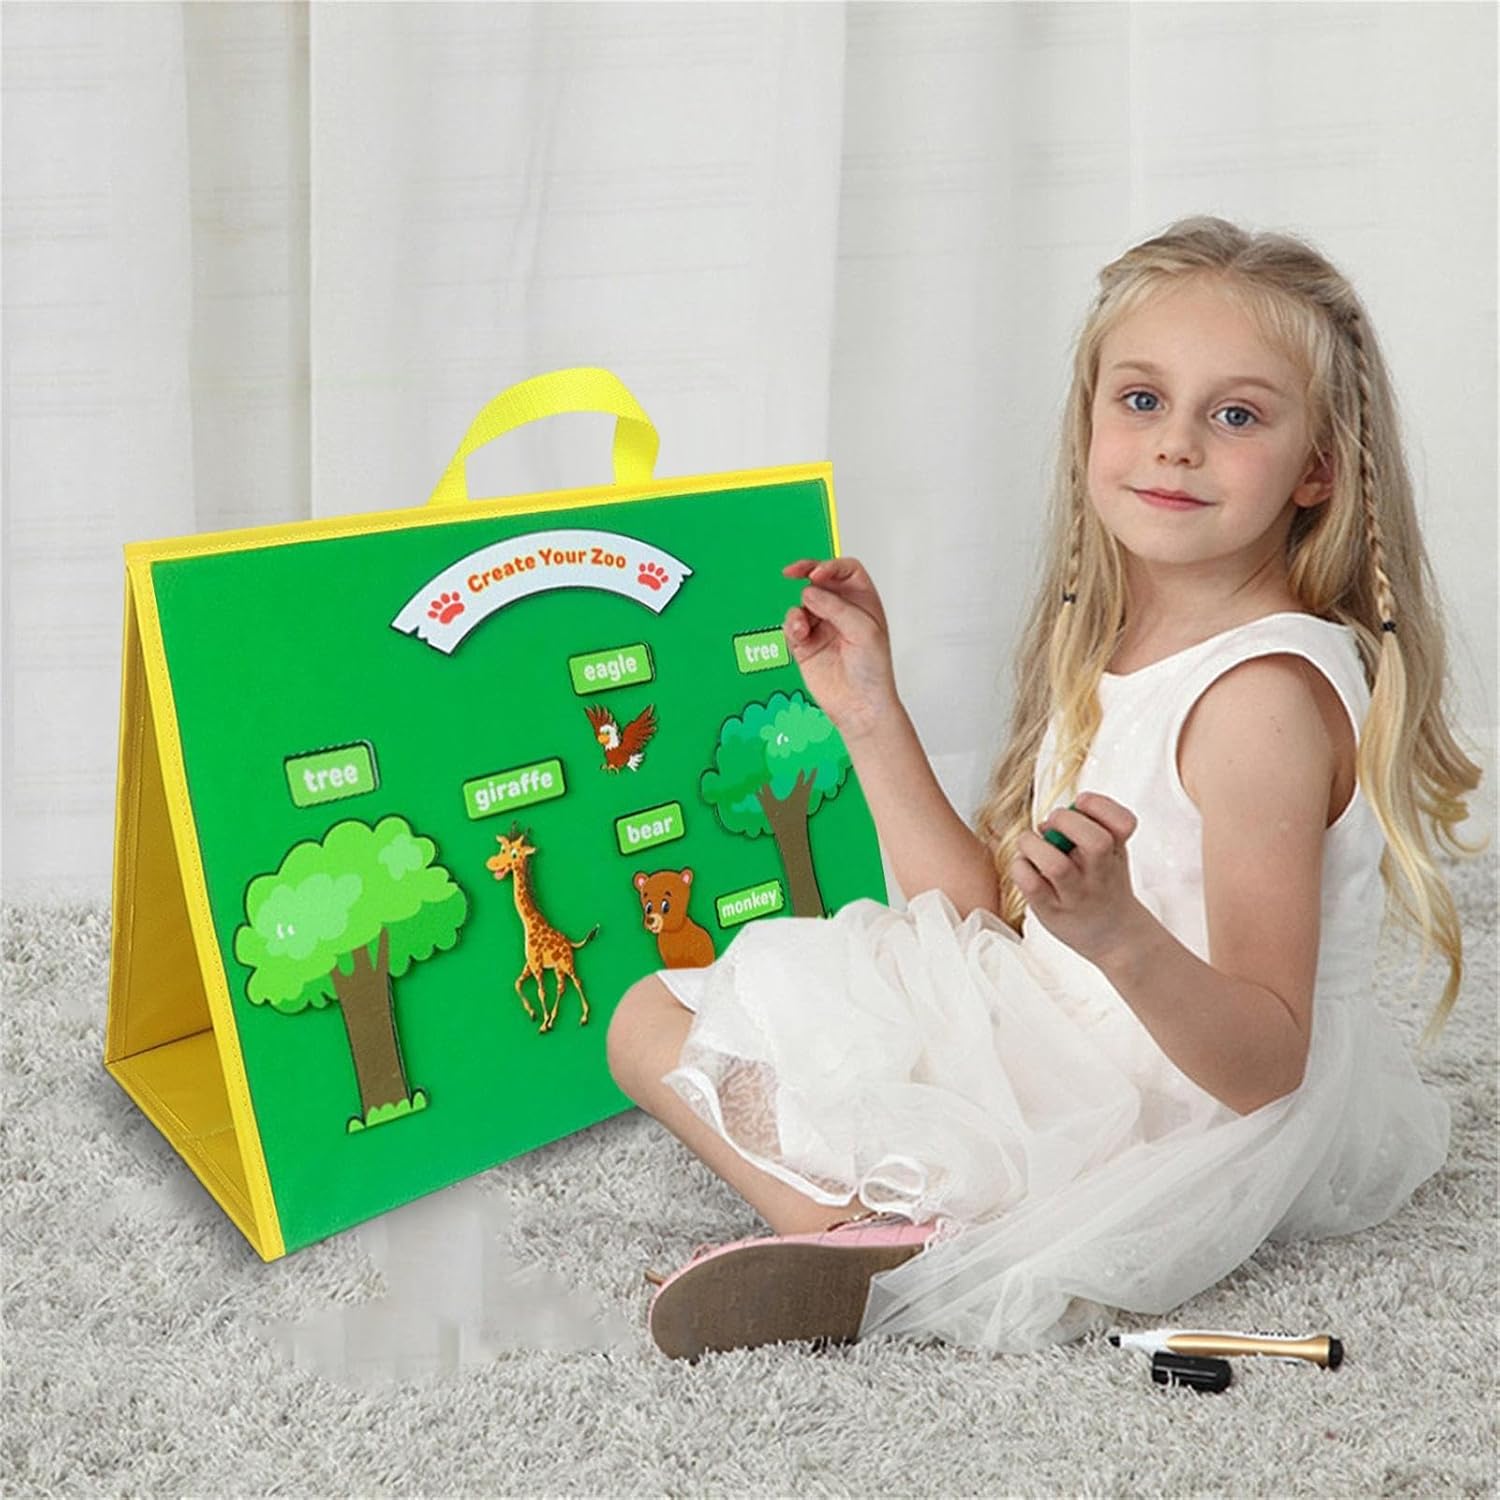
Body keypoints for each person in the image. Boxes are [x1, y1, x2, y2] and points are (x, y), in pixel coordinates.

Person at [605, 214, 1487, 1362]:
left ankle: (873, 1242)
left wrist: (1119, 935)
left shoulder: (1257, 702)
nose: (1176, 445)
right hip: (1074, 1028)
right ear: (1090, 426)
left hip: (1172, 1109)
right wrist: (869, 712)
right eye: (1142, 400)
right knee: (655, 1018)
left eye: (1236, 415)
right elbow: (977, 920)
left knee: (682, 1026)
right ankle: (884, 1233)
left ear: (1318, 466)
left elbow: (1267, 1066)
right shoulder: (1116, 639)